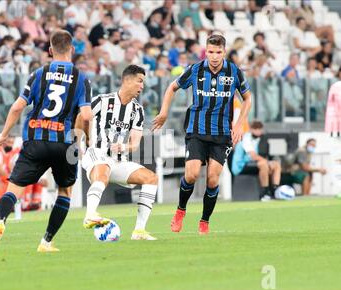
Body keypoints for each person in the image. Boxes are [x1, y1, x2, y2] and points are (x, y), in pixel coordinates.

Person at [0, 30, 93, 254]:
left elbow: (16, 107)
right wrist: (87, 139)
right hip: (65, 143)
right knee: (64, 192)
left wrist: (3, 134)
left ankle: (1, 220)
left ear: (50, 51)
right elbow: (87, 116)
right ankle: (46, 242)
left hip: (35, 139)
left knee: (14, 189)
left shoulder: (38, 74)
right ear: (72, 50)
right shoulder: (82, 78)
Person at [152, 34, 252, 234]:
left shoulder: (234, 72)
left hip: (222, 133)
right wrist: (163, 112)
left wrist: (240, 123)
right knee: (192, 174)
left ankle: (204, 221)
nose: (214, 56)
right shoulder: (196, 70)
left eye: (218, 52)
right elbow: (172, 88)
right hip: (197, 130)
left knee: (213, 179)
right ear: (206, 51)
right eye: (210, 52)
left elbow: (248, 98)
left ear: (224, 52)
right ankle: (180, 210)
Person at [82, 65, 158, 240]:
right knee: (103, 171)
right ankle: (90, 215)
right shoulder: (102, 101)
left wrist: (125, 147)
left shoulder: (137, 110)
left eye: (143, 82)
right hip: (96, 153)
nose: (142, 86)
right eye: (139, 81)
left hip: (118, 160)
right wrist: (85, 139)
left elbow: (135, 144)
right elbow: (81, 118)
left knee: (151, 178)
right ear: (127, 80)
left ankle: (139, 231)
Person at [231, 121, 281, 201]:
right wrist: (268, 163)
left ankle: (276, 191)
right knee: (263, 164)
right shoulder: (246, 138)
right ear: (251, 129)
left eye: (259, 129)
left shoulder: (262, 139)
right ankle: (265, 193)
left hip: (254, 164)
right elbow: (253, 156)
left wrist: (270, 163)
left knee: (276, 164)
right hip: (241, 166)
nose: (257, 131)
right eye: (255, 129)